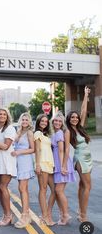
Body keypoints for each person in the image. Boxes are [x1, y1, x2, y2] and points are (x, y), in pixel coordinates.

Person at [65, 86, 92, 222]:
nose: (75, 119)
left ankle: (80, 211)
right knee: (88, 186)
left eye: (76, 117)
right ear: (69, 119)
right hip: (80, 159)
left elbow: (83, 110)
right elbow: (65, 148)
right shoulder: (69, 131)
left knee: (83, 185)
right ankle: (83, 215)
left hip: (88, 158)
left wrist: (86, 95)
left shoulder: (80, 128)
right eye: (72, 117)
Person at [51, 111, 76, 225]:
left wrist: (63, 166)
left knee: (58, 190)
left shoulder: (60, 132)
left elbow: (63, 150)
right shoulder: (55, 132)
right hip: (57, 163)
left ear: (62, 123)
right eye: (56, 120)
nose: (57, 122)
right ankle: (63, 215)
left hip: (61, 163)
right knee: (58, 191)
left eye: (60, 121)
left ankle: (66, 215)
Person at [11, 112, 35, 228]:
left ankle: (25, 215)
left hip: (25, 161)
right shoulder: (19, 132)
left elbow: (32, 149)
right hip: (18, 162)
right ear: (20, 121)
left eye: (26, 120)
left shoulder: (29, 133)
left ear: (29, 121)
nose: (24, 121)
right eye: (23, 119)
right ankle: (26, 215)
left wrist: (19, 152)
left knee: (22, 188)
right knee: (22, 189)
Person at [0, 108, 16, 226]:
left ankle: (8, 215)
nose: (2, 116)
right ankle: (6, 214)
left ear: (7, 117)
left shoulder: (10, 128)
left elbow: (6, 146)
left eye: (4, 114)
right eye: (0, 114)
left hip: (7, 161)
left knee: (3, 186)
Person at [34, 113, 55, 226]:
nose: (44, 123)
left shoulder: (45, 134)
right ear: (38, 122)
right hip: (42, 163)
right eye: (42, 121)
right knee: (43, 189)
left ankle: (46, 214)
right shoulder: (37, 133)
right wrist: (37, 164)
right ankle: (45, 216)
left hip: (49, 164)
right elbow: (37, 150)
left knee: (54, 189)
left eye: (46, 121)